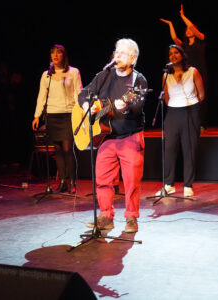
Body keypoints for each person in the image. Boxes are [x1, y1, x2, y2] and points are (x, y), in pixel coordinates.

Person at [78, 38, 148, 233]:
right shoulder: (104, 75)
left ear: (133, 59)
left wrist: (125, 106)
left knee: (131, 180)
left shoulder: (138, 80)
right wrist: (87, 106)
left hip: (130, 136)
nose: (118, 56)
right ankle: (106, 216)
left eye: (123, 53)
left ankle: (132, 217)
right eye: (117, 51)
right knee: (102, 178)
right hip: (107, 137)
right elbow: (84, 93)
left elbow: (136, 107)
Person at [156, 44, 205, 198]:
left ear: (182, 55)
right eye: (170, 53)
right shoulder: (166, 76)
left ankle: (188, 185)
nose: (173, 55)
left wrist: (191, 106)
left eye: (176, 52)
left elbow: (201, 94)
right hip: (173, 113)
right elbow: (166, 97)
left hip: (190, 111)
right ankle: (168, 185)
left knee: (189, 149)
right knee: (169, 149)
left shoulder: (193, 72)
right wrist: (175, 106)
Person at [32, 44, 82, 193]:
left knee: (67, 148)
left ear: (63, 56)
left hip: (68, 114)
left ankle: (72, 182)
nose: (55, 55)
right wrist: (37, 115)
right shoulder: (46, 74)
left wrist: (79, 113)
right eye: (53, 53)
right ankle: (62, 182)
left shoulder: (73, 72)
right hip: (52, 114)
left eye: (58, 53)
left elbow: (78, 93)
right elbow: (41, 96)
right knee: (58, 150)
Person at [160, 4, 208, 130]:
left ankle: (200, 123)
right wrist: (170, 24)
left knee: (200, 96)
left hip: (200, 71)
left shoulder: (201, 39)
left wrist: (182, 16)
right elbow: (174, 38)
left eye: (190, 29)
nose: (188, 30)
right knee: (188, 94)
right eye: (186, 29)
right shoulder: (184, 45)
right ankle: (189, 120)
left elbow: (191, 26)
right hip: (188, 73)